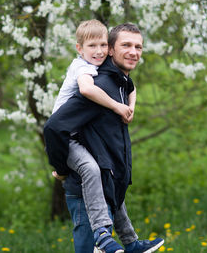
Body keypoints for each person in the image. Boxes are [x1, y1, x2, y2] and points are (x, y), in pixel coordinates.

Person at [44, 23, 164, 253]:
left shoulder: (119, 82)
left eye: (138, 46)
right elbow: (54, 127)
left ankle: (129, 242)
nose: (133, 52)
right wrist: (61, 168)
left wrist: (130, 106)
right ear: (112, 50)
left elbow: (131, 87)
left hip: (107, 190)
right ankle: (105, 237)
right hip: (87, 195)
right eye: (126, 45)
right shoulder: (97, 85)